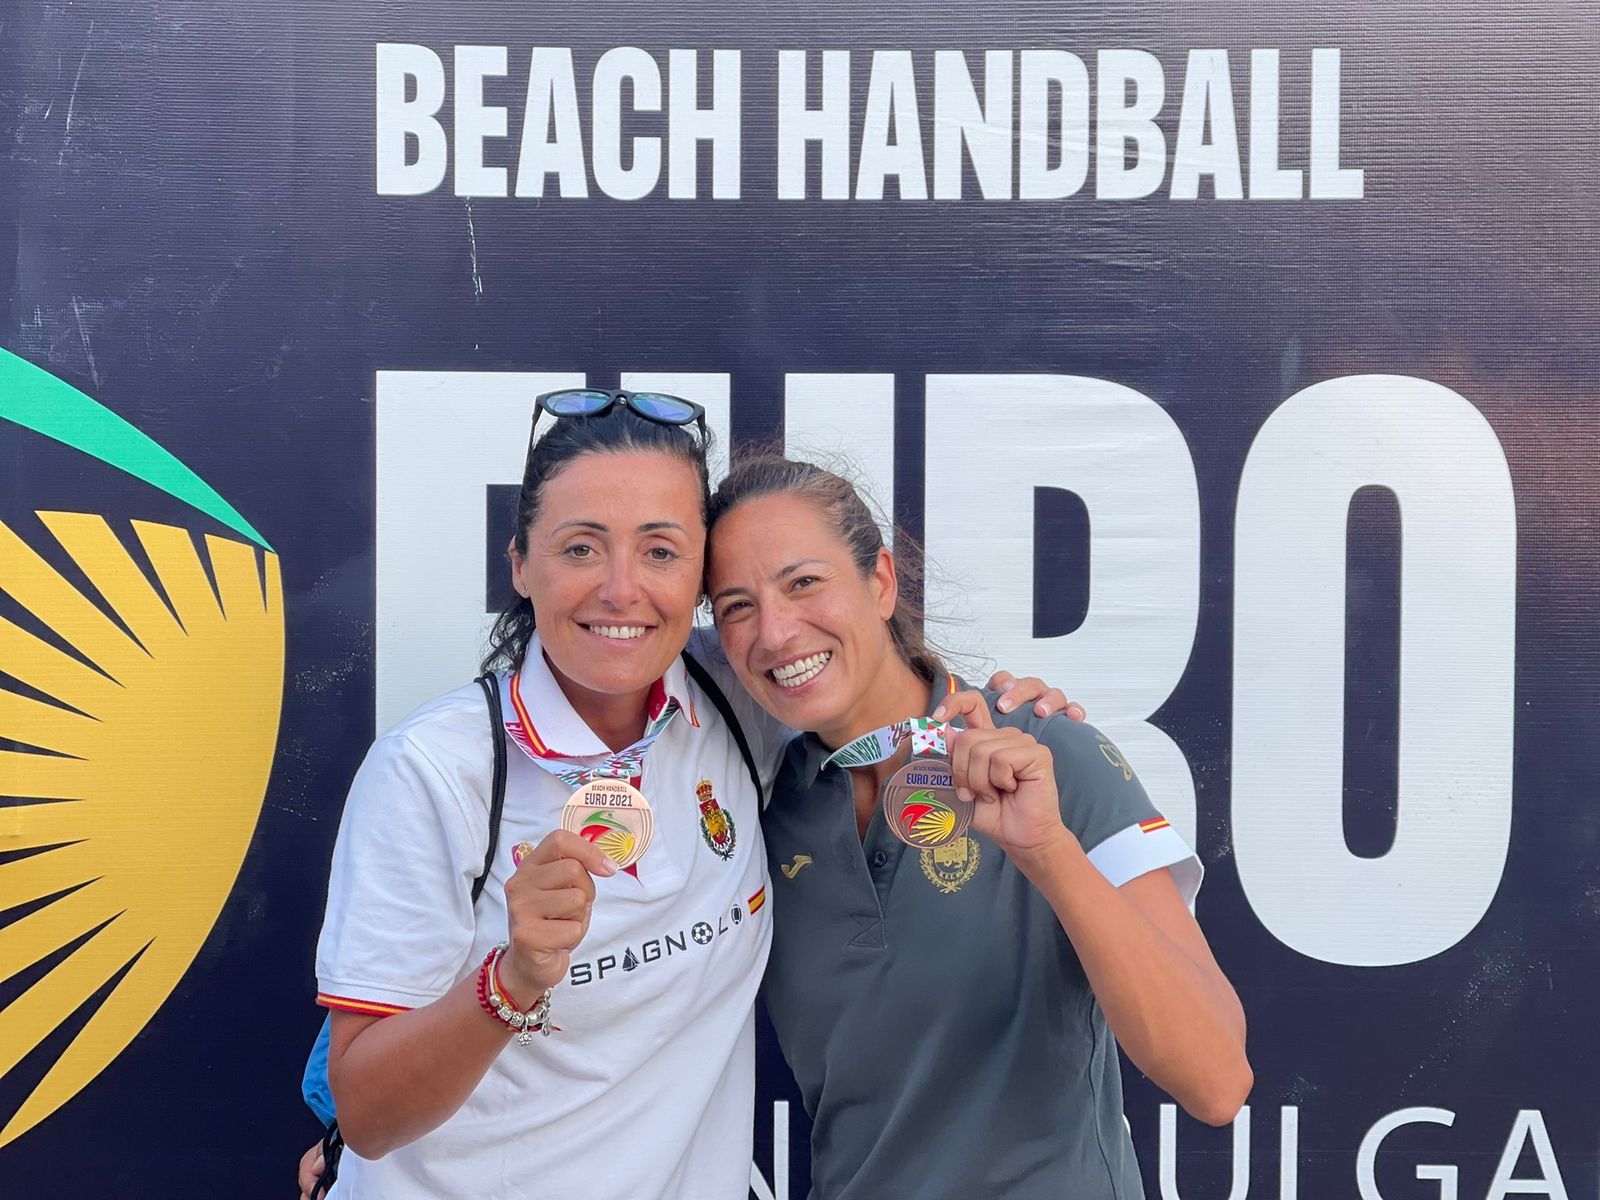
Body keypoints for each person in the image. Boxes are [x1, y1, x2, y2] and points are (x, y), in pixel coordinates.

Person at [302, 392, 1072, 1199]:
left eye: (661, 551)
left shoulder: (734, 696)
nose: (621, 589)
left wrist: (988, 703)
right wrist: (512, 980)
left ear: (701, 577)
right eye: (580, 549)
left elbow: (849, 667)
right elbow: (368, 1116)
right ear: (521, 565)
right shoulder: (432, 772)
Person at [702, 456, 1252, 1199]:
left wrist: (1049, 852)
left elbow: (1216, 1081)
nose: (774, 631)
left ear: (882, 582)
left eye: (804, 583)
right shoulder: (756, 810)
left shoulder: (1047, 751)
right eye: (737, 606)